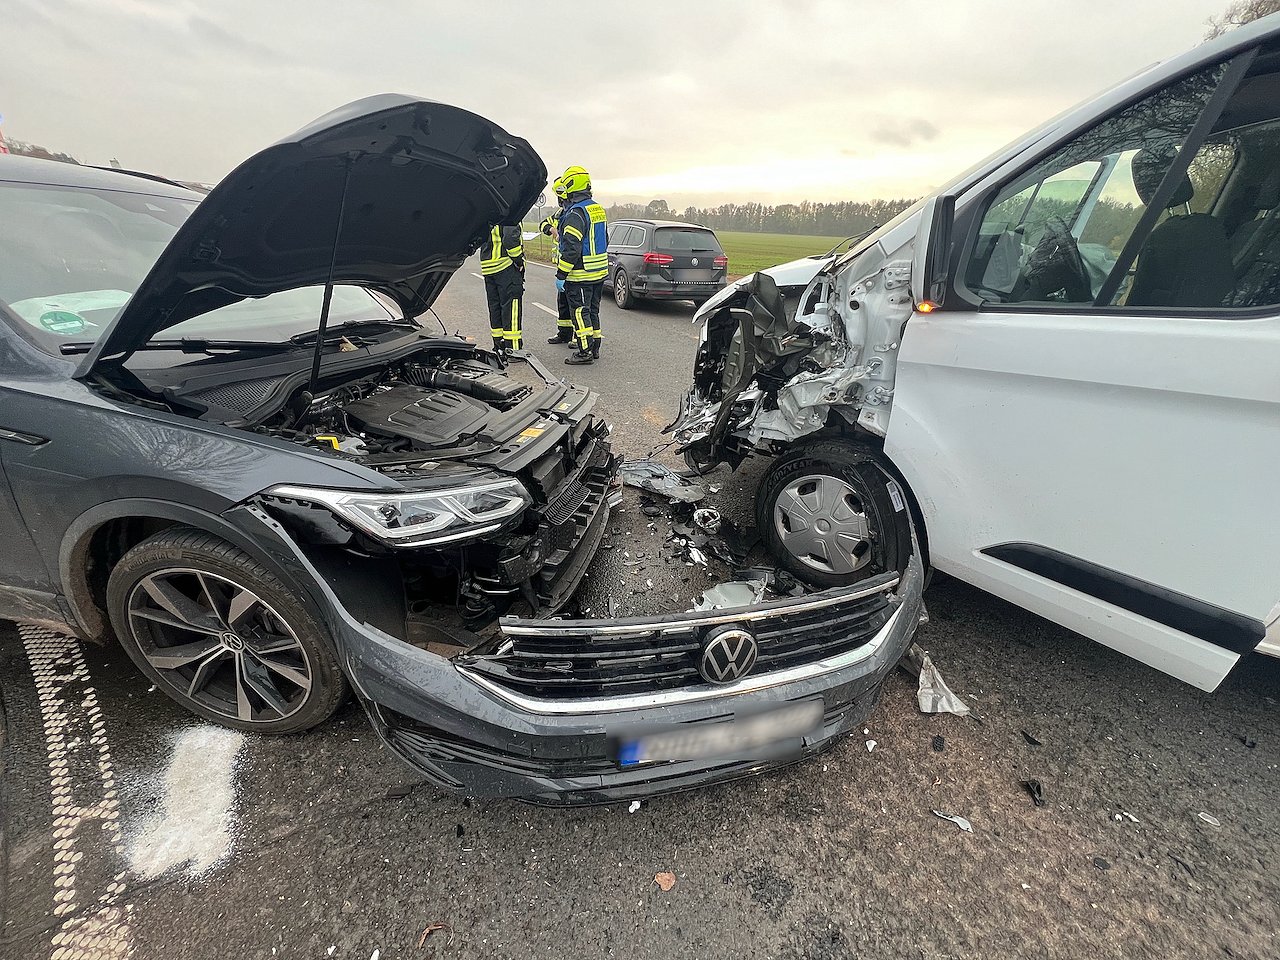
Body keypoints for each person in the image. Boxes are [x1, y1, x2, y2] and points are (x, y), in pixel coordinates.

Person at [554, 165, 607, 364]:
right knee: (593, 311)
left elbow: (571, 249)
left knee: (579, 312)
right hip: (599, 272)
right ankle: (595, 347)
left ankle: (585, 352)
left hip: (581, 274)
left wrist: (561, 274)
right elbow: (605, 239)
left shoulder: (575, 214)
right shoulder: (597, 209)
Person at [480, 221, 524, 353]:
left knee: (495, 308)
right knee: (511, 308)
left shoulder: (488, 212)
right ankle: (513, 348)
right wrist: (519, 260)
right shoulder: (510, 213)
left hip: (488, 266)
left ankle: (499, 346)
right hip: (505, 265)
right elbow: (510, 239)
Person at [540, 178, 575, 345]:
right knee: (563, 303)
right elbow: (543, 224)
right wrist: (552, 230)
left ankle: (579, 338)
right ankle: (564, 333)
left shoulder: (574, 214)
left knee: (576, 305)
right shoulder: (560, 214)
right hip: (563, 266)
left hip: (575, 268)